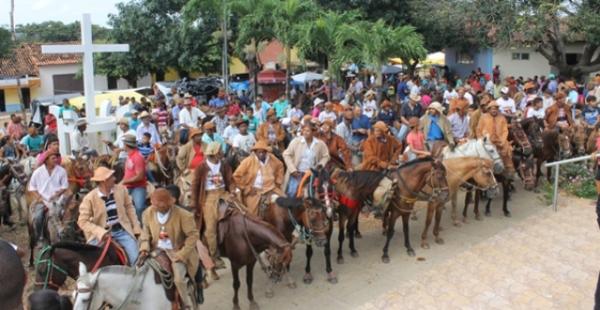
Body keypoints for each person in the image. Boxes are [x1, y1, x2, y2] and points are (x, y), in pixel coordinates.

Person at [138, 188, 200, 309]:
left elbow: (193, 236)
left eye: (162, 206)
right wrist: (144, 247)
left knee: (179, 279)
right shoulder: (147, 213)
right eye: (156, 205)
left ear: (170, 204)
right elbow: (145, 233)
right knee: (139, 270)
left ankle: (186, 303)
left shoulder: (184, 215)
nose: (158, 207)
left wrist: (182, 254)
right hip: (157, 250)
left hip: (176, 251)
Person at [77, 167, 141, 266]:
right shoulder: (89, 198)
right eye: (111, 177)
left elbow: (129, 208)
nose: (114, 179)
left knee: (136, 259)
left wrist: (136, 227)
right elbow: (82, 221)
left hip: (121, 231)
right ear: (104, 181)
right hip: (99, 237)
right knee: (92, 264)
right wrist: (100, 232)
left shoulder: (121, 190)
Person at [190, 142, 234, 272]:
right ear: (215, 153)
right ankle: (215, 256)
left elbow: (230, 181)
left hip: (224, 193)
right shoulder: (201, 168)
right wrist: (194, 203)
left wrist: (232, 192)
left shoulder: (224, 165)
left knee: (243, 210)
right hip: (209, 197)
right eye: (220, 151)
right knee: (210, 228)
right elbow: (195, 186)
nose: (222, 153)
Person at [233, 140, 286, 216]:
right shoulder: (248, 161)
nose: (261, 154)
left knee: (285, 204)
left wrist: (278, 182)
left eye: (263, 152)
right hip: (255, 191)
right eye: (259, 152)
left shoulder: (271, 158)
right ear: (255, 152)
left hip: (271, 188)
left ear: (266, 152)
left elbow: (280, 166)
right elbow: (236, 176)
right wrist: (248, 188)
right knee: (252, 214)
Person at [28, 151, 69, 245]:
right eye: (53, 158)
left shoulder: (61, 171)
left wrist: (57, 194)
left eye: (56, 158)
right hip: (42, 200)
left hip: (58, 199)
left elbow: (65, 186)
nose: (56, 160)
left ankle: (69, 234)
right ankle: (40, 237)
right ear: (46, 160)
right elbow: (32, 187)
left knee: (71, 213)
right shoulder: (38, 172)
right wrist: (39, 198)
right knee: (38, 217)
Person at [283, 123, 330, 198]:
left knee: (313, 195)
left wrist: (320, 165)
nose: (305, 132)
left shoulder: (320, 144)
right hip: (297, 173)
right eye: (303, 130)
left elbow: (326, 156)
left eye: (308, 131)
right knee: (291, 192)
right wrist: (292, 169)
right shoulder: (296, 142)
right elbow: (286, 154)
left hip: (311, 174)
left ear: (313, 132)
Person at [476, 101, 515, 178]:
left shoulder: (502, 118)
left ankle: (508, 170)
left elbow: (505, 130)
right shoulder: (483, 117)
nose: (494, 110)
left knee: (507, 150)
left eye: (496, 109)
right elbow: (478, 130)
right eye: (492, 109)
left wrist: (502, 141)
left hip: (500, 141)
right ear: (489, 110)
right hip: (487, 142)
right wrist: (481, 140)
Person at [120, 134, 148, 220]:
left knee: (139, 207)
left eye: (123, 144)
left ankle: (142, 227)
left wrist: (124, 181)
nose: (123, 146)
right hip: (127, 186)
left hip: (138, 187)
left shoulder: (137, 157)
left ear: (126, 145)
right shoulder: (129, 156)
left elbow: (140, 176)